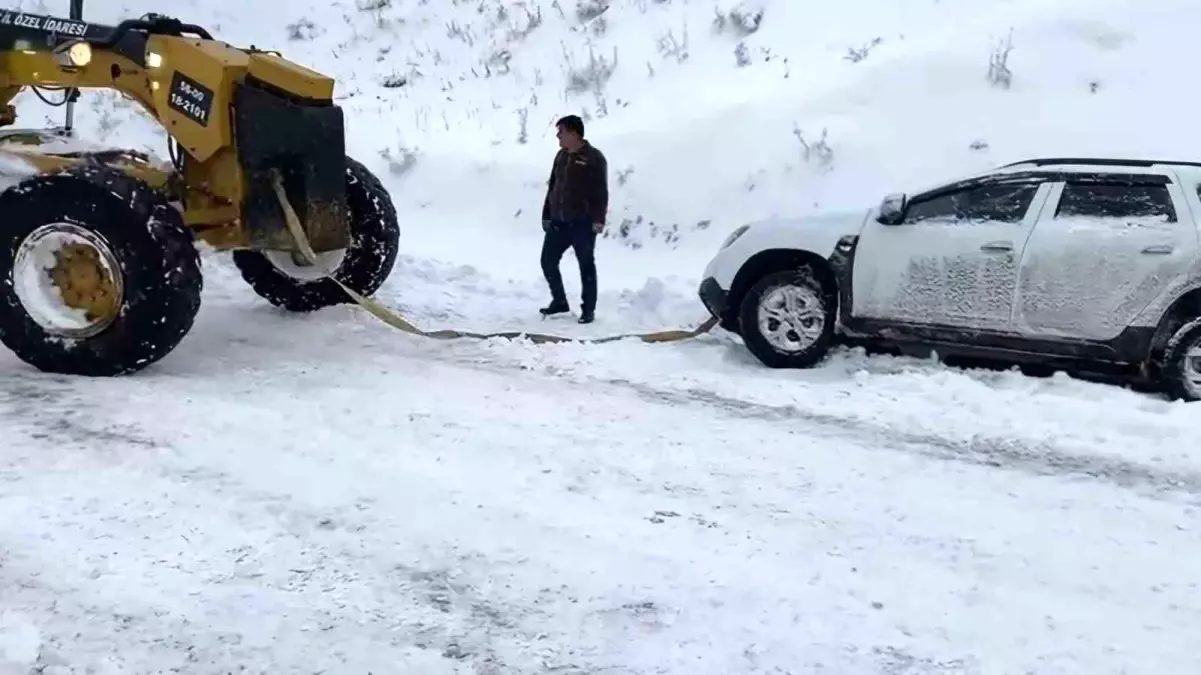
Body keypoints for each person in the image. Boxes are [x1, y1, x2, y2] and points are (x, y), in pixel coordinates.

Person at [539, 114, 608, 324]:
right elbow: (553, 186)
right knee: (547, 261)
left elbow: (601, 192)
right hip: (559, 221)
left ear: (573, 133)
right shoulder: (561, 156)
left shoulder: (594, 158)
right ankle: (559, 301)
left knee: (586, 265)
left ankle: (588, 309)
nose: (558, 136)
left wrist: (598, 219)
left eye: (561, 132)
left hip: (583, 223)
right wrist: (547, 214)